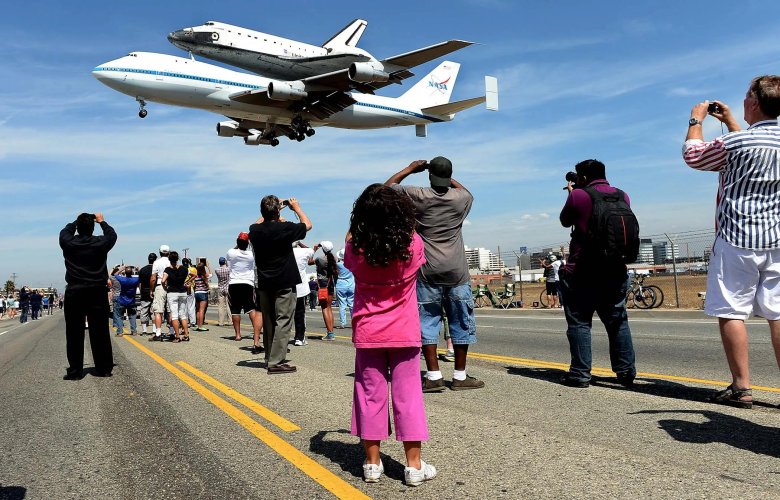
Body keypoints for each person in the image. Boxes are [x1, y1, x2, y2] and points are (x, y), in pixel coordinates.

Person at [682, 75, 780, 409]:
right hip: (778, 238)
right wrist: (732, 123)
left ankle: (742, 387)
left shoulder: (737, 145)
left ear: (754, 100)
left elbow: (694, 156)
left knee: (732, 311)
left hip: (738, 237)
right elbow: (755, 149)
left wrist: (697, 120)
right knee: (778, 314)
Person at [345, 184, 436, 486]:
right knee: (408, 396)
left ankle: (372, 464)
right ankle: (414, 466)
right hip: (404, 331)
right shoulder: (412, 243)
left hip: (368, 330)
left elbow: (351, 238)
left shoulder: (355, 247)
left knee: (370, 395)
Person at [386, 157, 484, 391]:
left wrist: (411, 169)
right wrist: (446, 176)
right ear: (449, 177)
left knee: (427, 322)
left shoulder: (418, 195)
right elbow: (465, 190)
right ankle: (460, 377)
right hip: (457, 271)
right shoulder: (462, 199)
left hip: (427, 270)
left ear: (429, 177)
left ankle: (433, 375)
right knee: (461, 321)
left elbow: (386, 189)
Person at [558, 159, 636, 388]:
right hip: (615, 269)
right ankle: (626, 372)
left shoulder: (579, 195)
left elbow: (565, 221)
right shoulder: (623, 195)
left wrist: (573, 193)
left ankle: (581, 374)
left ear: (582, 178)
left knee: (580, 323)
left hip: (583, 271)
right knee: (617, 322)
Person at [249, 196, 312, 374]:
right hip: (284, 280)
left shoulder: (255, 230)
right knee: (283, 320)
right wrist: (296, 208)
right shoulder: (285, 228)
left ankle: (270, 357)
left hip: (264, 282)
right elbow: (307, 224)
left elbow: (257, 223)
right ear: (277, 212)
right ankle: (276, 362)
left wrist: (273, 210)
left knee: (269, 321)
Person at [59, 212, 117, 379]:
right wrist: (102, 222)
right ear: (93, 227)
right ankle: (104, 368)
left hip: (75, 290)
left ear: (77, 227)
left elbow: (65, 231)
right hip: (96, 290)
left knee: (74, 332)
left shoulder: (69, 242)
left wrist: (75, 221)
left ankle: (76, 371)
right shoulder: (100, 242)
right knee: (100, 331)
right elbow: (112, 235)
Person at [226, 232, 263, 350]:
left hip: (234, 283)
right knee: (251, 308)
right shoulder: (251, 254)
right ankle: (256, 333)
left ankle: (237, 335)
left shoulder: (231, 252)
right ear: (247, 244)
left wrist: (239, 243)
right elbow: (254, 249)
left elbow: (234, 249)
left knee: (235, 310)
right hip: (247, 283)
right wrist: (249, 242)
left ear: (237, 242)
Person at [312, 241, 337, 340]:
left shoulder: (319, 259)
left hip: (322, 285)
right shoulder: (334, 258)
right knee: (329, 308)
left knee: (324, 308)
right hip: (330, 284)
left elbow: (310, 262)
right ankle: (331, 332)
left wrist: (314, 249)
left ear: (323, 249)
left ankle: (330, 333)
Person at [162, 251, 190, 342]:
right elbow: (194, 274)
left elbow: (163, 281)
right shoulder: (184, 269)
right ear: (177, 259)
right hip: (182, 292)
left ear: (169, 259)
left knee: (174, 316)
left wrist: (165, 287)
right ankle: (186, 335)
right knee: (183, 315)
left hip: (172, 293)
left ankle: (177, 336)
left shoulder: (167, 270)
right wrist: (187, 282)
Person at [293, 242, 315, 346]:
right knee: (300, 314)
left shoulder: (282, 252)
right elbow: (311, 250)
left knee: (284, 315)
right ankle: (299, 337)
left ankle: (280, 338)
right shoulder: (302, 252)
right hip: (300, 288)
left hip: (285, 287)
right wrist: (300, 243)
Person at [148, 245, 171, 341]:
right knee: (170, 310)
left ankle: (158, 333)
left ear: (160, 252)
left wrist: (151, 290)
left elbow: (153, 278)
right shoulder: (171, 262)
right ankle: (173, 331)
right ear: (169, 253)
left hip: (159, 285)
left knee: (158, 310)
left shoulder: (156, 262)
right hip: (170, 286)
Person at [115, 266, 139, 336]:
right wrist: (137, 269)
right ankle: (134, 331)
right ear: (132, 273)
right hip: (131, 301)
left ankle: (119, 332)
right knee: (132, 316)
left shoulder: (122, 280)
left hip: (122, 300)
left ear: (125, 273)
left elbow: (115, 274)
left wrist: (122, 269)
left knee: (119, 316)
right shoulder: (135, 279)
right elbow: (142, 275)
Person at [335, 248, 355, 329]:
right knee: (352, 305)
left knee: (342, 305)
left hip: (341, 285)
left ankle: (343, 323)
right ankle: (354, 322)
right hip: (351, 285)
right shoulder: (352, 263)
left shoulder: (338, 264)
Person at [137, 253, 156, 335]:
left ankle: (144, 330)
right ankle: (155, 330)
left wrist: (141, 292)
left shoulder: (142, 270)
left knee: (144, 311)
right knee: (154, 311)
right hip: (155, 292)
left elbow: (140, 283)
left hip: (144, 292)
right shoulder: (156, 269)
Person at [193, 261, 211, 331]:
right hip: (203, 293)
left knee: (197, 310)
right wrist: (208, 267)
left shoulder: (195, 276)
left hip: (197, 292)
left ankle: (198, 325)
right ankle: (201, 326)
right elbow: (211, 275)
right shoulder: (204, 275)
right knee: (202, 310)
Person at [214, 256, 231, 326]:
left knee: (220, 306)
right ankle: (230, 321)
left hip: (220, 288)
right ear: (225, 262)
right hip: (228, 288)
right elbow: (229, 267)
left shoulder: (216, 270)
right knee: (228, 305)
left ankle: (221, 322)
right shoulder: (228, 269)